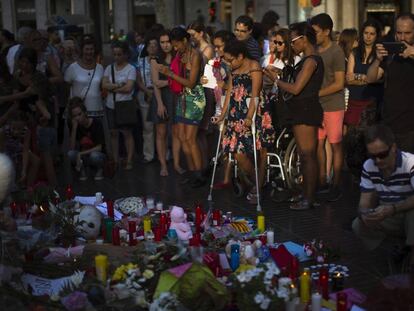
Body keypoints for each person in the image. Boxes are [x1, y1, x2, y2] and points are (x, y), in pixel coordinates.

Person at [264, 22, 324, 210]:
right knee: (305, 155)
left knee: (307, 155)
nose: (292, 44)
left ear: (304, 39)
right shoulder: (307, 60)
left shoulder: (311, 60)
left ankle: (309, 197)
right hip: (302, 109)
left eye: (293, 40)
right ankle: (306, 194)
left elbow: (296, 88)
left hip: (306, 109)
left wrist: (276, 80)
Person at [352, 124, 414, 268]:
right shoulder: (369, 166)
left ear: (393, 148)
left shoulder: (410, 163)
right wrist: (365, 214)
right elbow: (364, 203)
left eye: (382, 155)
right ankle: (399, 248)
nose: (378, 161)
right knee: (358, 224)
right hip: (389, 215)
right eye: (373, 156)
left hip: (405, 213)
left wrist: (392, 209)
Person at [212, 39, 264, 202]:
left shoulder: (254, 66)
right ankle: (254, 182)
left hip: (249, 113)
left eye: (230, 59)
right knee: (234, 152)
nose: (228, 63)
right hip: (235, 113)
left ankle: (258, 182)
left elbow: (256, 94)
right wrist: (222, 114)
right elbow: (229, 93)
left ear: (241, 56)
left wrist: (249, 116)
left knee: (242, 154)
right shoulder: (233, 69)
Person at [158, 27, 206, 188]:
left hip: (194, 99)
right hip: (182, 98)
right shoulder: (180, 54)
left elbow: (192, 83)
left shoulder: (195, 55)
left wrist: (170, 74)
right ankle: (192, 172)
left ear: (185, 41)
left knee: (191, 138)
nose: (175, 48)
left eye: (176, 44)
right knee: (182, 137)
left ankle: (199, 174)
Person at [366, 13, 414, 153]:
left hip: (411, 126)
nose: (402, 37)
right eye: (399, 33)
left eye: (407, 33)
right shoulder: (391, 55)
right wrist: (378, 60)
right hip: (390, 124)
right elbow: (370, 78)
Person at [311, 13, 346, 202]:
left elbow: (339, 83)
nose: (313, 35)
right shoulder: (314, 51)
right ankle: (322, 180)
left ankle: (337, 183)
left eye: (316, 31)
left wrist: (316, 94)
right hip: (318, 106)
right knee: (318, 144)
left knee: (335, 144)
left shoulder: (336, 52)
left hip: (333, 105)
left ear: (327, 31)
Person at [150, 30, 184, 177]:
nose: (165, 45)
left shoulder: (180, 57)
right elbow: (156, 83)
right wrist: (159, 103)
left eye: (167, 42)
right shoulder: (155, 59)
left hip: (176, 97)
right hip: (161, 98)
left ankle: (176, 164)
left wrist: (170, 81)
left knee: (176, 132)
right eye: (162, 42)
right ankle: (163, 165)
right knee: (161, 133)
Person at [102, 40, 137, 170]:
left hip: (125, 104)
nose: (117, 57)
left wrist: (112, 88)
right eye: (115, 54)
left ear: (125, 55)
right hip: (111, 104)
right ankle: (116, 160)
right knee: (114, 133)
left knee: (127, 133)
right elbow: (104, 85)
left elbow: (128, 88)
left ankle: (129, 160)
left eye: (119, 54)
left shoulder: (131, 69)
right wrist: (117, 86)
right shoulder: (109, 68)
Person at [187, 21, 215, 172]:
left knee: (203, 130)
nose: (190, 38)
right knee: (197, 132)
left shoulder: (207, 49)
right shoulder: (196, 48)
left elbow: (200, 66)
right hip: (195, 90)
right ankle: (203, 163)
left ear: (201, 33)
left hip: (205, 90)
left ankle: (206, 163)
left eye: (192, 35)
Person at [345, 21, 382, 129]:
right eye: (366, 33)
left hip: (372, 102)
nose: (368, 36)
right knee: (352, 136)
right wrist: (365, 78)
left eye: (372, 34)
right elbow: (348, 78)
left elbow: (374, 78)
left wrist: (357, 76)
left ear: (376, 35)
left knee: (370, 136)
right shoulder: (354, 52)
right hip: (354, 100)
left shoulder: (380, 54)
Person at [64, 38, 105, 119]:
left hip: (96, 110)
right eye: (86, 49)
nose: (89, 52)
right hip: (79, 113)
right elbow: (66, 88)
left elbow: (101, 87)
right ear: (82, 50)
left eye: (91, 49)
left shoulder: (100, 68)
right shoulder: (73, 67)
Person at [68, 97, 106, 181]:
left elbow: (100, 147)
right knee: (70, 154)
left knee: (94, 156)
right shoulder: (75, 125)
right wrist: (74, 128)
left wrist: (81, 153)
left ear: (85, 112)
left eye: (79, 114)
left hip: (96, 154)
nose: (77, 118)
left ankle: (100, 168)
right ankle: (82, 170)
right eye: (75, 116)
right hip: (84, 155)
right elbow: (71, 148)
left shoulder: (96, 123)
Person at [0, 110, 39, 188]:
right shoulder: (3, 131)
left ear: (24, 126)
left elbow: (25, 150)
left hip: (18, 146)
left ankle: (28, 187)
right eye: (14, 128)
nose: (16, 132)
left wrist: (24, 170)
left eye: (19, 129)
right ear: (10, 125)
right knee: (11, 167)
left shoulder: (26, 131)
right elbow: (2, 150)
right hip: (6, 149)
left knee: (36, 161)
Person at [136, 35, 158, 164]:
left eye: (155, 45)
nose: (152, 47)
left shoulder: (161, 60)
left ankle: (165, 152)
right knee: (147, 126)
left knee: (161, 125)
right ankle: (148, 154)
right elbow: (138, 80)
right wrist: (147, 91)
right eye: (150, 45)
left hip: (159, 93)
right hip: (145, 93)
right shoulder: (141, 61)